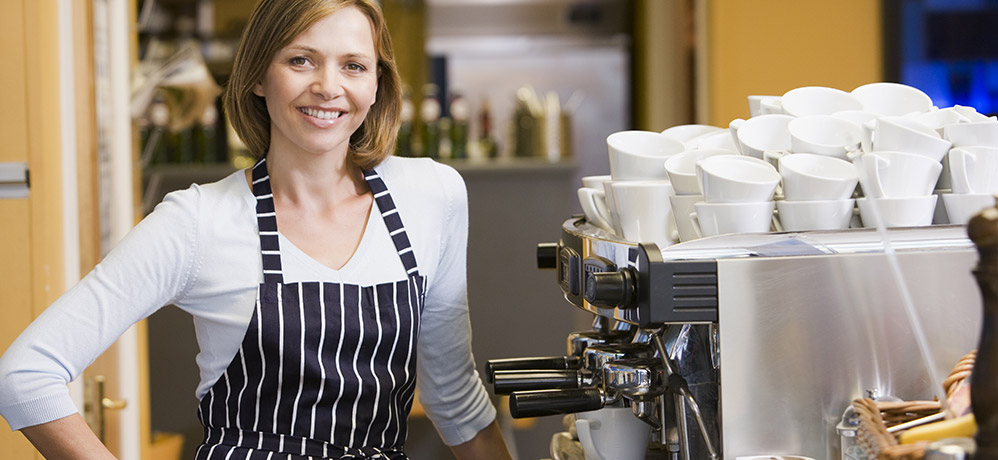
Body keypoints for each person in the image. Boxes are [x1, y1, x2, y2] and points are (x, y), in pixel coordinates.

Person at [0, 0, 513, 459]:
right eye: (300, 60)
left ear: (377, 84)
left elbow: (454, 397)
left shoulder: (432, 195)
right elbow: (24, 375)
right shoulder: (198, 220)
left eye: (353, 66)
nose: (328, 87)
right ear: (258, 76)